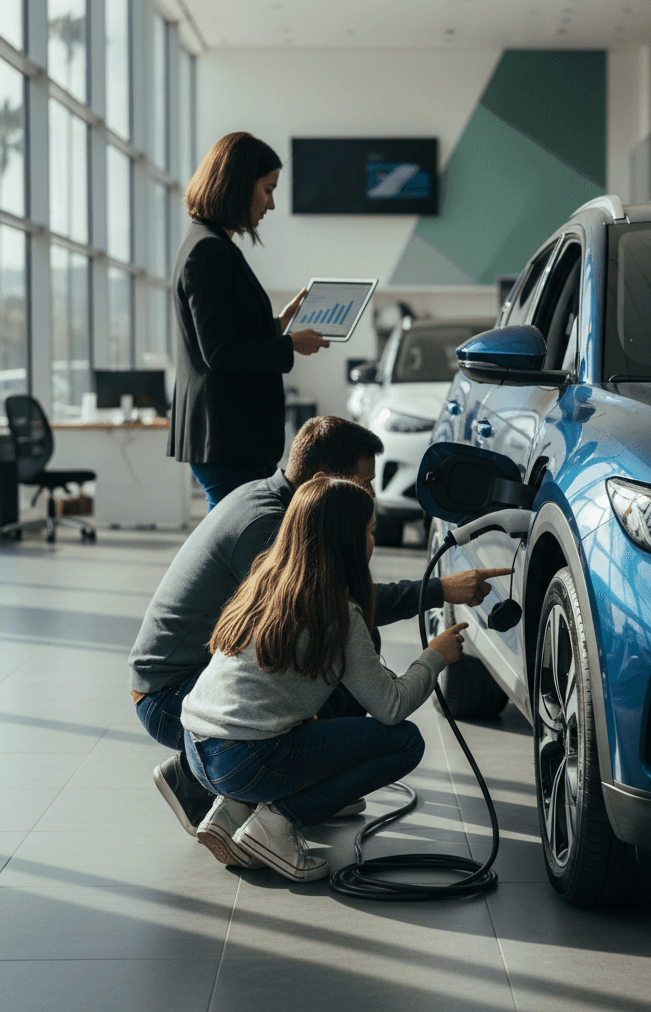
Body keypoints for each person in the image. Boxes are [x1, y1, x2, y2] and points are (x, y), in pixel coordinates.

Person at [130, 415, 511, 847]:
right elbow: (342, 610)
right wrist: (438, 596)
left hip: (199, 703)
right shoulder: (268, 526)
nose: (371, 495)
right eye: (364, 483)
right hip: (170, 698)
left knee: (350, 654)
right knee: (355, 666)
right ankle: (241, 797)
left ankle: (236, 790)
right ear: (323, 482)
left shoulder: (273, 502)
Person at [180, 475, 468, 882]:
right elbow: (391, 708)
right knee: (405, 742)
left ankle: (230, 811)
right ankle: (277, 822)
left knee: (296, 718)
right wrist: (435, 656)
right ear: (347, 541)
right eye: (369, 532)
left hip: (196, 750)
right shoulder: (337, 612)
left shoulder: (264, 581)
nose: (373, 541)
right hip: (245, 760)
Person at [169, 130, 331, 511]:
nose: (270, 204)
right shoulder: (208, 251)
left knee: (238, 536)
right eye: (267, 190)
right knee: (240, 539)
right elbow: (220, 352)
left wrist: (278, 324)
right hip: (228, 440)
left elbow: (225, 331)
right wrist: (289, 344)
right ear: (239, 185)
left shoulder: (210, 244)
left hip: (230, 440)